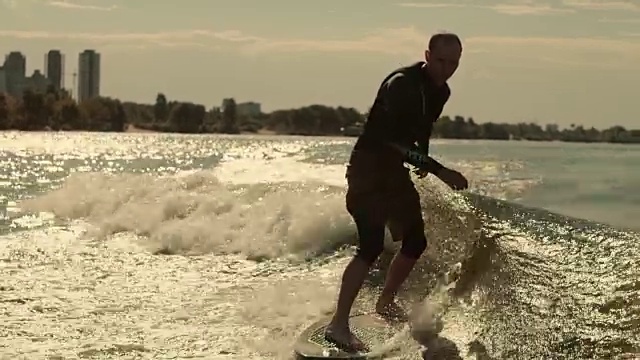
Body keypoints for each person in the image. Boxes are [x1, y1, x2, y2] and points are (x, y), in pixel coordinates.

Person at [324, 32, 469, 351]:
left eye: (454, 63)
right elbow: (393, 141)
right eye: (442, 60)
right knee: (371, 245)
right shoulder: (400, 84)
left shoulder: (441, 91)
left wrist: (423, 154)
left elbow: (421, 128)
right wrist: (438, 169)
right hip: (368, 171)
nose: (447, 68)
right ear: (427, 55)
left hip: (393, 173)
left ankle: (385, 302)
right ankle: (338, 326)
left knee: (416, 241)